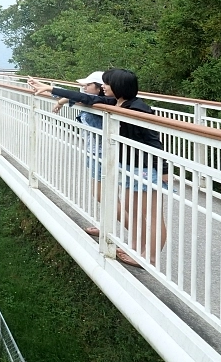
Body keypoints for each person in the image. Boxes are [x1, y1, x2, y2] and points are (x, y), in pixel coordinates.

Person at [28, 69, 167, 268]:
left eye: (107, 83)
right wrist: (51, 89)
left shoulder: (138, 108)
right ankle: (136, 249)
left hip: (145, 167)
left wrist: (163, 171)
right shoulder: (117, 103)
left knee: (152, 214)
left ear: (118, 86)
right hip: (129, 164)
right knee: (129, 206)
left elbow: (154, 140)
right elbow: (83, 97)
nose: (104, 87)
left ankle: (149, 258)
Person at [51, 71, 105, 237]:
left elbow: (77, 96)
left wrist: (57, 96)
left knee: (102, 195)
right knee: (102, 195)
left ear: (100, 89)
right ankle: (105, 228)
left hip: (102, 154)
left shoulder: (102, 103)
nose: (83, 88)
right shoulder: (92, 99)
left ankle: (126, 236)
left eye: (87, 85)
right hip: (94, 152)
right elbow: (74, 96)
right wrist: (60, 101)